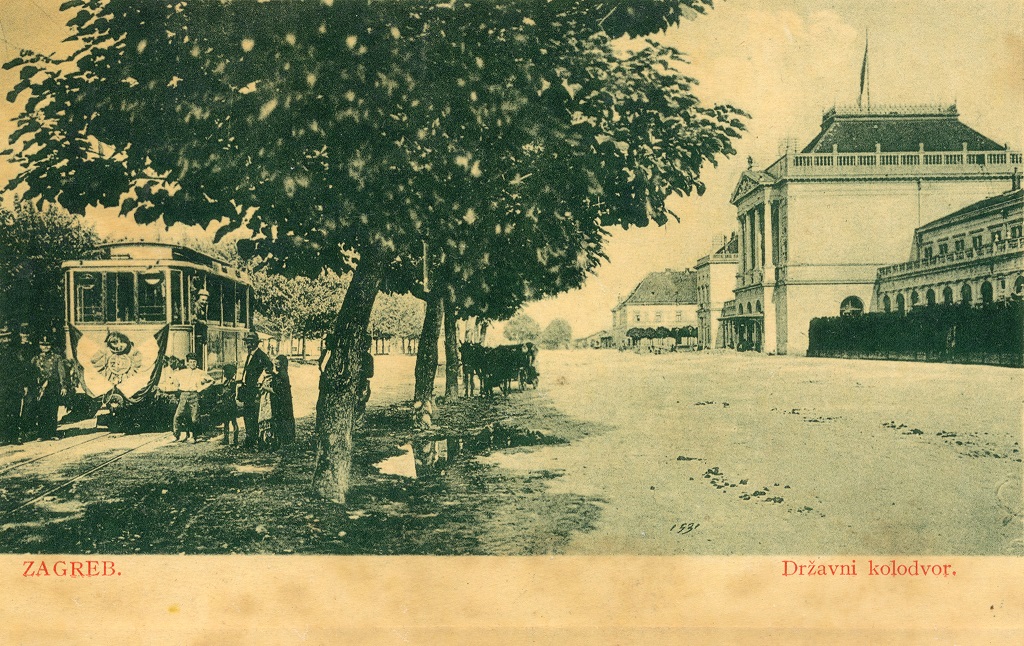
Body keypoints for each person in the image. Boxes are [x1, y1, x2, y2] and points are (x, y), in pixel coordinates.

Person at [28, 335, 69, 441]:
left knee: (52, 410)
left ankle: (52, 433)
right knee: (41, 410)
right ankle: (41, 434)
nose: (45, 347)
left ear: (51, 346)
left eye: (47, 345)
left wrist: (63, 386)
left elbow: (62, 373)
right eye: (43, 345)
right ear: (39, 346)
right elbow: (31, 373)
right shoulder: (35, 359)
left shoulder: (56, 358)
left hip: (53, 387)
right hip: (40, 388)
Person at [238, 331, 272, 449]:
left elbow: (269, 369)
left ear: (256, 343)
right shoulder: (249, 355)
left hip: (254, 390)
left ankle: (256, 440)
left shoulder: (261, 355)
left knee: (254, 415)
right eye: (247, 343)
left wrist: (261, 382)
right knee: (247, 414)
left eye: (251, 343)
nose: (249, 345)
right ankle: (249, 439)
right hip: (247, 389)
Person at [173, 352, 213, 443]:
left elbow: (211, 381)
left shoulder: (200, 372)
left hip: (194, 395)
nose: (192, 364)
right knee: (178, 416)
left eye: (194, 362)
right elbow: (173, 378)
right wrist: (177, 386)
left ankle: (193, 436)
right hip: (184, 395)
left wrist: (202, 388)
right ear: (187, 363)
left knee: (194, 418)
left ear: (196, 363)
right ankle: (176, 435)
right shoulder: (182, 372)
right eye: (191, 362)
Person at [270, 354, 295, 445]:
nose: (276, 366)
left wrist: (266, 388)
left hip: (283, 401)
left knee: (283, 419)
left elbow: (277, 390)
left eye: (278, 364)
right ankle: (286, 438)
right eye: (275, 364)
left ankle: (285, 439)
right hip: (285, 401)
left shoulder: (282, 375)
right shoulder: (282, 373)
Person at [215, 363, 241, 446]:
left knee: (232, 422)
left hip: (229, 405)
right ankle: (229, 439)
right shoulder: (229, 382)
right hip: (228, 405)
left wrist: (221, 395)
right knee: (228, 423)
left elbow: (229, 393)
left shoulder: (231, 383)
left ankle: (234, 440)